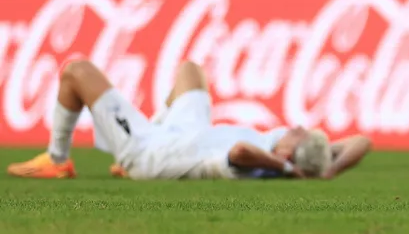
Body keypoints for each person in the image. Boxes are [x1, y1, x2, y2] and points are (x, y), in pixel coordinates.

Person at [8, 60, 371, 180]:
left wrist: (287, 170)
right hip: (183, 132)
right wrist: (327, 171)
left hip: (151, 153)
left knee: (76, 71)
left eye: (301, 135)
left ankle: (56, 160)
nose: (298, 126)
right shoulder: (281, 147)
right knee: (190, 72)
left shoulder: (255, 165)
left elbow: (241, 151)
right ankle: (137, 139)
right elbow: (363, 141)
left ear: (291, 156)